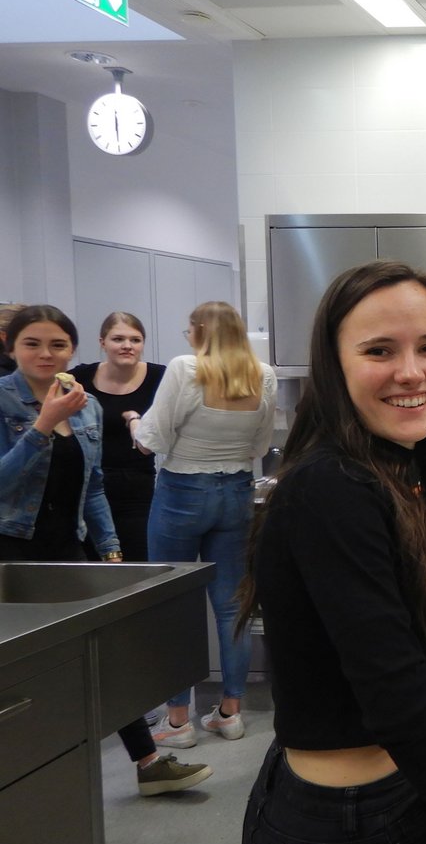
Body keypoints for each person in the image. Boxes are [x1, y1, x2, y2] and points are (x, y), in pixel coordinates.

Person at [237, 261, 426, 844]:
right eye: (379, 351)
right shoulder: (331, 487)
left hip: (382, 795)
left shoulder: (391, 469)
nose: (412, 371)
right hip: (344, 820)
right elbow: (392, 681)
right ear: (334, 367)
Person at [0, 305, 210, 796]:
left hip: (67, 547)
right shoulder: (4, 401)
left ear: (72, 350)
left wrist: (110, 549)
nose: (46, 353)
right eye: (32, 343)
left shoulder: (86, 405)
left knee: (99, 652)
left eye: (57, 344)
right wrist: (43, 426)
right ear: (11, 347)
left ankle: (148, 762)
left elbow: (92, 486)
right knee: (22, 672)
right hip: (10, 551)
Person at [135, 301, 276, 747]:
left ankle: (178, 721)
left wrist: (134, 421)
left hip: (182, 492)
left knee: (175, 605)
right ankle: (230, 713)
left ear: (199, 330)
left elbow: (152, 440)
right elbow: (260, 446)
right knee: (232, 606)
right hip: (236, 492)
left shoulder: (185, 368)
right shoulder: (263, 375)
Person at [71, 312, 167, 561]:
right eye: (118, 339)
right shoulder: (80, 377)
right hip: (88, 486)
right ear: (102, 342)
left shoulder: (160, 377)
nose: (127, 346)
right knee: (91, 563)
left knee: (137, 560)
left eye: (135, 340)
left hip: (138, 487)